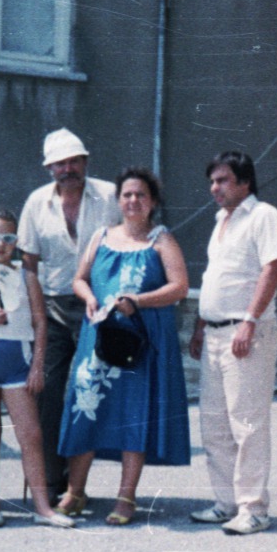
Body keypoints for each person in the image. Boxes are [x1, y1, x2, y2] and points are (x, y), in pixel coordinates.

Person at [57, 170, 191, 524]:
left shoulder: (161, 240)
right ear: (118, 200)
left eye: (141, 195)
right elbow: (80, 279)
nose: (133, 201)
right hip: (99, 338)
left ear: (153, 201)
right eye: (127, 195)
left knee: (134, 413)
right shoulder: (101, 237)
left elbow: (179, 287)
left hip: (140, 342)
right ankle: (75, 491)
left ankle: (126, 497)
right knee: (85, 408)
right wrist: (88, 298)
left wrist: (139, 300)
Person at [18, 128, 121, 502]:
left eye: (74, 161)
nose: (68, 169)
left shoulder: (111, 195)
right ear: (49, 168)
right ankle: (49, 482)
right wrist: (36, 315)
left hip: (101, 306)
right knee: (47, 393)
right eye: (60, 164)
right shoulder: (36, 203)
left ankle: (80, 486)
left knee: (94, 392)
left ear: (85, 162)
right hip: (54, 307)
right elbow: (28, 264)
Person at [0, 209, 73, 529]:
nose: (1, 244)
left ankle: (42, 508)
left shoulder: (26, 276)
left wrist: (37, 365)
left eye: (8, 238)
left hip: (19, 363)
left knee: (31, 435)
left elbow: (40, 322)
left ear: (16, 242)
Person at [188, 152, 277, 534]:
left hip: (246, 334)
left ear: (245, 182)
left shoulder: (264, 216)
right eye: (212, 181)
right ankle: (227, 503)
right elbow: (217, 277)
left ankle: (254, 509)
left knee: (247, 423)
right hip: (214, 334)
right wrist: (200, 325)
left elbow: (272, 268)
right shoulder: (221, 222)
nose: (215, 188)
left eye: (223, 180)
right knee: (215, 424)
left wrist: (249, 321)